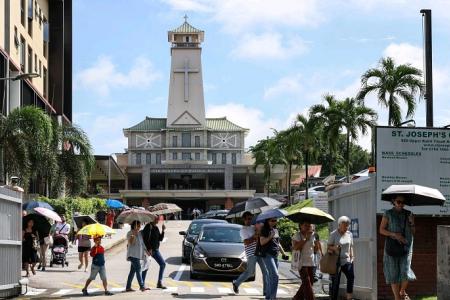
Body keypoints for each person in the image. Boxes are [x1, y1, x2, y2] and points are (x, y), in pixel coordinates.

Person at [379, 195, 415, 300]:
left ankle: (402, 291)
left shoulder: (409, 214)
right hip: (392, 247)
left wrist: (412, 222)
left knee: (405, 270)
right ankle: (397, 297)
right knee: (393, 272)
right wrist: (394, 235)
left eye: (403, 202)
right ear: (393, 202)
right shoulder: (388, 213)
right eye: (399, 202)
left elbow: (413, 232)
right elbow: (381, 230)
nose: (401, 204)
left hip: (406, 247)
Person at [232, 212, 268, 296]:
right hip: (251, 253)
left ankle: (266, 291)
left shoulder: (254, 227)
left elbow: (260, 236)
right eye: (247, 218)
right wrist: (255, 236)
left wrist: (258, 232)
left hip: (260, 251)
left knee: (265, 271)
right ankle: (236, 283)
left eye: (250, 218)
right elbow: (246, 242)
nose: (249, 220)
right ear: (243, 219)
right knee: (250, 272)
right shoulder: (243, 230)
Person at [259, 218, 288, 300]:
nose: (274, 222)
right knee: (275, 275)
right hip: (267, 255)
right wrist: (270, 236)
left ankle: (268, 297)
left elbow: (278, 243)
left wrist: (283, 253)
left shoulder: (275, 230)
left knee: (271, 277)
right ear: (267, 221)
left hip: (275, 255)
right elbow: (262, 242)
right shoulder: (264, 230)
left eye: (275, 220)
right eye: (272, 220)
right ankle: (273, 297)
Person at [328, 216, 355, 300]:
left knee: (351, 277)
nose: (346, 228)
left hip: (347, 260)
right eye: (344, 226)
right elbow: (328, 247)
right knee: (336, 282)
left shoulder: (349, 234)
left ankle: (349, 297)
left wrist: (352, 257)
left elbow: (351, 247)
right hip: (336, 261)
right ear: (339, 225)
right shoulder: (333, 234)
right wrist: (334, 247)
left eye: (347, 226)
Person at [125, 220, 147, 292]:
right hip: (132, 255)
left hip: (138, 254)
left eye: (140, 226)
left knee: (132, 271)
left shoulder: (140, 234)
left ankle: (128, 287)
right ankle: (141, 286)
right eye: (138, 225)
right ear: (134, 226)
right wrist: (133, 235)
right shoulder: (129, 233)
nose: (139, 227)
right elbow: (131, 243)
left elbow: (142, 243)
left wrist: (146, 251)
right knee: (138, 269)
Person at [147, 216, 167, 289]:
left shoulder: (155, 228)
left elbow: (160, 239)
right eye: (156, 219)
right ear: (152, 219)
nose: (158, 220)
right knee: (163, 264)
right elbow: (146, 239)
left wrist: (163, 230)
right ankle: (159, 282)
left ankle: (159, 282)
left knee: (145, 267)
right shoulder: (148, 227)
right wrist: (149, 248)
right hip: (152, 250)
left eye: (158, 218)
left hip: (156, 249)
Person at [140, 223, 152, 288]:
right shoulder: (142, 234)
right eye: (150, 228)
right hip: (143, 253)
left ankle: (142, 283)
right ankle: (142, 284)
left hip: (147, 253)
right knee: (143, 268)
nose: (151, 229)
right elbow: (143, 244)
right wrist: (147, 251)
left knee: (146, 268)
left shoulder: (148, 234)